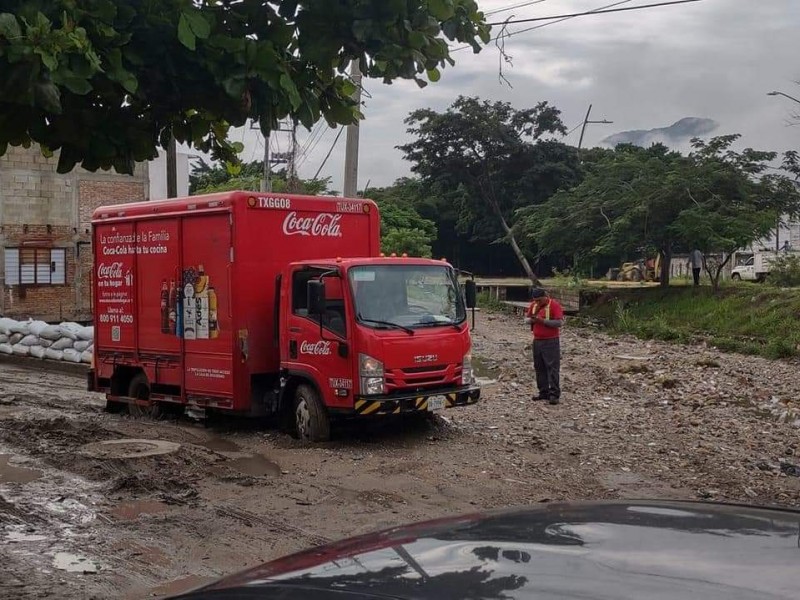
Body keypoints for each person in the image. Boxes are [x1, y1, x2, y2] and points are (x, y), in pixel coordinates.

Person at [524, 288, 564, 405]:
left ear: (545, 296)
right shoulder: (533, 305)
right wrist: (531, 320)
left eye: (539, 300)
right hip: (537, 341)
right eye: (535, 300)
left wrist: (542, 321)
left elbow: (559, 322)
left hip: (551, 341)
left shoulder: (554, 305)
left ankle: (554, 394)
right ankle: (543, 392)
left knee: (552, 368)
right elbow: (526, 318)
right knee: (539, 367)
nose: (537, 303)